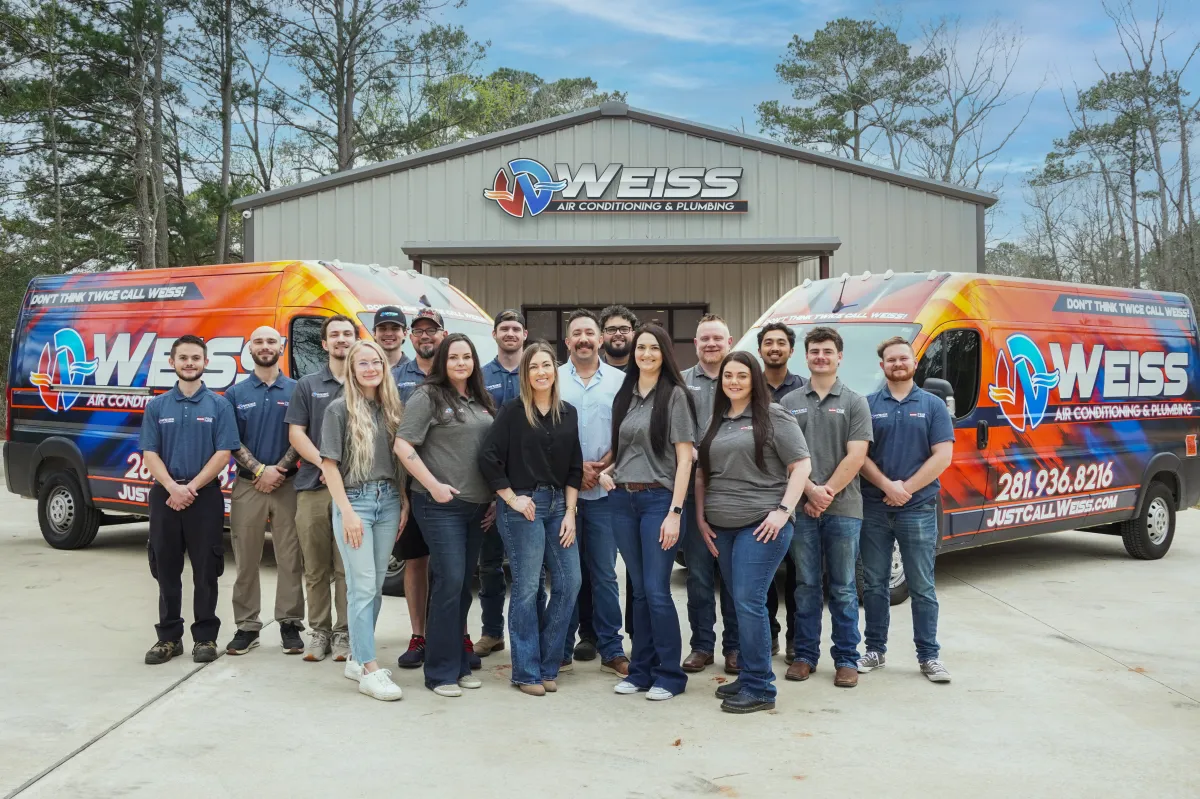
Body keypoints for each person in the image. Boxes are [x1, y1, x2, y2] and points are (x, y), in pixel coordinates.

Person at [697, 352, 811, 713]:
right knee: (740, 602)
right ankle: (748, 676)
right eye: (728, 375)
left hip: (761, 526)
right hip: (722, 527)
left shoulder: (773, 415)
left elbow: (802, 465)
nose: (733, 381)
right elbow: (704, 474)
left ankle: (761, 687)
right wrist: (701, 518)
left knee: (748, 602)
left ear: (754, 380)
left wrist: (782, 512)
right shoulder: (717, 420)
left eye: (741, 376)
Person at [478, 342, 583, 696]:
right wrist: (511, 497)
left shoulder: (567, 413)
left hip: (558, 507)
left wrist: (570, 513)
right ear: (525, 374)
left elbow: (574, 468)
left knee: (570, 582)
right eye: (534, 366)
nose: (541, 372)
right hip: (523, 507)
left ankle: (548, 664)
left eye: (547, 366)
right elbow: (488, 458)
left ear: (555, 371)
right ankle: (525, 671)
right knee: (527, 588)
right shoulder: (511, 412)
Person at [394, 334, 496, 697]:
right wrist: (433, 485)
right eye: (454, 357)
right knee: (449, 583)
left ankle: (458, 661)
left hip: (477, 508)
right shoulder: (427, 396)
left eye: (467, 357)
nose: (461, 363)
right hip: (439, 506)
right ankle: (439, 672)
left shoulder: (481, 400)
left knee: (462, 586)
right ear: (443, 361)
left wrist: (495, 499)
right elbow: (403, 444)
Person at [599, 324, 696, 701]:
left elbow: (685, 459)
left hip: (660, 501)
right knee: (638, 591)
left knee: (657, 591)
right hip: (623, 501)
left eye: (654, 348)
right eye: (641, 348)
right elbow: (625, 450)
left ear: (665, 353)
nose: (646, 354)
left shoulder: (675, 397)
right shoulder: (626, 396)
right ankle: (640, 671)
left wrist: (675, 511)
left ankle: (669, 675)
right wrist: (609, 473)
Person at [858, 336, 955, 683]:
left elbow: (943, 455)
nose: (898, 364)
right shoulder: (867, 405)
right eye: (891, 359)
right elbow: (859, 456)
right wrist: (887, 486)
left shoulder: (932, 405)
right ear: (881, 366)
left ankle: (929, 656)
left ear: (915, 364)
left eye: (904, 359)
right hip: (873, 507)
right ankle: (875, 650)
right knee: (874, 583)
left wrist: (906, 490)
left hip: (918, 508)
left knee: (922, 584)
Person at [780, 327, 873, 688]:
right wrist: (809, 492)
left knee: (844, 586)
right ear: (806, 357)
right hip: (800, 508)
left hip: (843, 507)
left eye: (827, 351)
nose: (821, 356)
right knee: (805, 585)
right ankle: (804, 655)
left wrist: (826, 492)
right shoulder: (788, 403)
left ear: (840, 357)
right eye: (814, 351)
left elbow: (858, 454)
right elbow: (783, 456)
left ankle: (847, 659)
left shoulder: (854, 401)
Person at [141, 335, 239, 665]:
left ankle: (205, 638)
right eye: (183, 357)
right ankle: (168, 638)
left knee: (206, 570)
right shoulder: (157, 406)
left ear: (205, 362)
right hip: (165, 496)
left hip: (204, 496)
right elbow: (150, 453)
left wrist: (191, 488)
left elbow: (223, 453)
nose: (189, 363)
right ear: (172, 362)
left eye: (195, 358)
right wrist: (172, 488)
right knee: (165, 567)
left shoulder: (219, 405)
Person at [320, 340, 407, 701]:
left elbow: (400, 463)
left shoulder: (391, 409)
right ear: (352, 370)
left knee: (374, 587)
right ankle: (369, 670)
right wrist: (348, 513)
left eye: (376, 362)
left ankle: (357, 657)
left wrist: (402, 502)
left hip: (387, 501)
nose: (371, 368)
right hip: (354, 502)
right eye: (363, 363)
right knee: (362, 585)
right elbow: (328, 466)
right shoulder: (338, 410)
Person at [392, 308, 474, 671]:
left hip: (468, 503)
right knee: (424, 566)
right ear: (412, 336)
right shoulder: (402, 380)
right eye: (419, 330)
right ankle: (424, 641)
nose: (425, 336)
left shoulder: (477, 393)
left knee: (455, 577)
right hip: (423, 494)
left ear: (443, 334)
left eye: (433, 330)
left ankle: (459, 638)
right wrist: (413, 491)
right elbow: (399, 441)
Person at [224, 326, 305, 656]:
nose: (265, 346)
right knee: (246, 559)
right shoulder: (235, 393)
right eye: (259, 341)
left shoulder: (298, 389)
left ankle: (289, 623)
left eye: (271, 341)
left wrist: (278, 470)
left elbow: (302, 435)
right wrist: (259, 470)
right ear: (250, 348)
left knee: (290, 558)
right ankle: (247, 626)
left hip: (287, 486)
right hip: (248, 486)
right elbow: (230, 439)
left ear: (281, 346)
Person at [559, 310, 630, 677]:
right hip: (563, 496)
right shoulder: (551, 380)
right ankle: (560, 647)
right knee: (566, 574)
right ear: (567, 341)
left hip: (604, 494)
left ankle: (611, 649)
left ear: (600, 339)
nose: (584, 339)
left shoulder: (620, 381)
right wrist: (575, 470)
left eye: (590, 332)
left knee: (604, 573)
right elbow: (544, 434)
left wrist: (605, 465)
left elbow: (628, 432)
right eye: (577, 334)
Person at [286, 314, 356, 662]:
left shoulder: (366, 383)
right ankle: (318, 632)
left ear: (355, 340)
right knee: (315, 566)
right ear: (324, 343)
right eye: (335, 335)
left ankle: (344, 634)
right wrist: (325, 466)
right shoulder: (307, 384)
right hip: (313, 488)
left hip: (355, 491)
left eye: (347, 334)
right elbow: (296, 433)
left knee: (347, 567)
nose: (341, 339)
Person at [679, 314, 740, 675]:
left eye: (718, 338)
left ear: (729, 341)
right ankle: (702, 645)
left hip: (736, 492)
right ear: (696, 344)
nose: (712, 344)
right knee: (699, 574)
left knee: (734, 576)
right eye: (705, 339)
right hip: (691, 492)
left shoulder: (744, 378)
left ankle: (734, 647)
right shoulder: (683, 383)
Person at [475, 309, 530, 658]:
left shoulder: (539, 371)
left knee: (533, 569)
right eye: (503, 329)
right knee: (490, 565)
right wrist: (494, 494)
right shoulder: (481, 377)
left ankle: (532, 635)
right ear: (494, 335)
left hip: (531, 484)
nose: (510, 334)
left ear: (525, 334)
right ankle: (492, 632)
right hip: (491, 485)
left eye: (516, 329)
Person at [757, 320, 801, 659]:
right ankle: (768, 635)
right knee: (766, 576)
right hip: (761, 499)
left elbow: (805, 451)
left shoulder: (802, 391)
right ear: (760, 350)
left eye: (781, 343)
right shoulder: (747, 388)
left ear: (790, 349)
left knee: (799, 575)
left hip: (798, 497)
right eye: (768, 342)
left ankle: (796, 643)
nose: (774, 347)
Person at [599, 305, 638, 373]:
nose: (618, 334)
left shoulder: (643, 369)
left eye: (624, 329)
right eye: (611, 329)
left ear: (633, 335)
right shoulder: (592, 370)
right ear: (602, 336)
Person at [375, 306, 410, 371]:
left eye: (395, 329)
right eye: (382, 328)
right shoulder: (367, 370)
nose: (388, 333)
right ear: (374, 334)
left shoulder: (416, 371)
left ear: (405, 334)